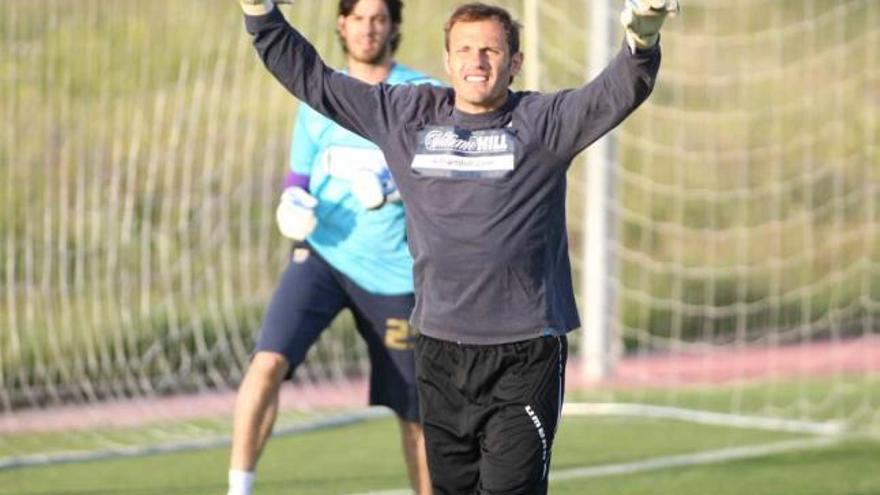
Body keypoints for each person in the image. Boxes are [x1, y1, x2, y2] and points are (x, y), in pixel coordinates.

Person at [237, 0, 677, 492]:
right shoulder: (406, 113)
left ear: (515, 62)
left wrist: (643, 41)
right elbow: (314, 80)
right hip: (439, 351)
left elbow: (615, 92)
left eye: (491, 50)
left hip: (524, 354)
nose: (477, 61)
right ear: (447, 61)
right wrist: (261, 14)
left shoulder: (543, 122)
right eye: (464, 50)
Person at [228, 1, 437, 494]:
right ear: (342, 25)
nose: (368, 29)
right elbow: (299, 176)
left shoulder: (420, 95)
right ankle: (238, 489)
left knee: (415, 411)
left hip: (393, 274)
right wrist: (292, 201)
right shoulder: (319, 93)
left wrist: (392, 185)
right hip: (323, 257)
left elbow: (437, 174)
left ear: (394, 27)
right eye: (358, 18)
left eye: (378, 19)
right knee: (266, 364)